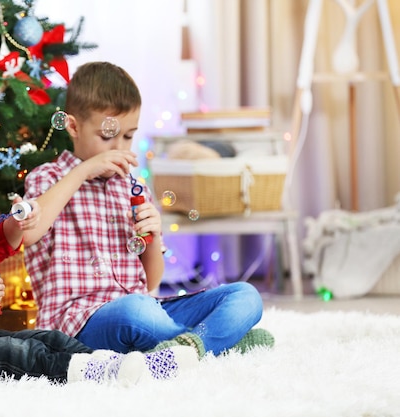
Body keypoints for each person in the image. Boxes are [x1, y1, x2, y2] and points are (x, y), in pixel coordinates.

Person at [0, 122, 199, 385]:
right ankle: (91, 374)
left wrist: (17, 223)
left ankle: (116, 365)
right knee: (14, 353)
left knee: (47, 338)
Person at [23, 62, 274, 358]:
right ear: (74, 126)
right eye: (107, 136)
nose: (120, 147)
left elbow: (151, 281)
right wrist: (84, 171)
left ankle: (187, 350)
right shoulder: (47, 179)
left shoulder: (132, 187)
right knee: (136, 310)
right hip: (80, 324)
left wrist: (152, 237)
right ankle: (215, 344)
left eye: (128, 136)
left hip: (147, 311)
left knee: (245, 295)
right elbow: (28, 234)